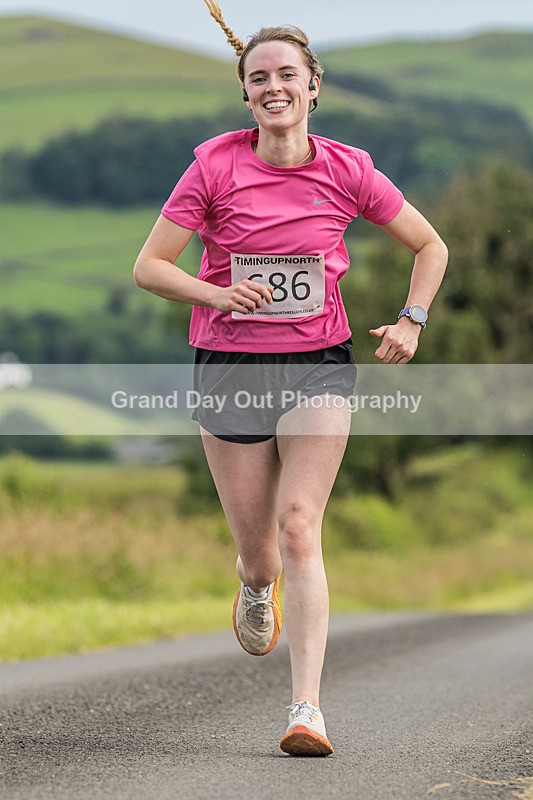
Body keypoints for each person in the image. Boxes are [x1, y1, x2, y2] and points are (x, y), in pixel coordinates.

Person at [133, 0, 448, 756]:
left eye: (287, 75)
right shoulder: (214, 163)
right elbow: (148, 268)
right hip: (229, 362)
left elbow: (428, 244)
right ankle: (252, 584)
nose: (273, 87)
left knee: (301, 525)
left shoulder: (348, 169)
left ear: (312, 88)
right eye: (258, 77)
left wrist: (410, 319)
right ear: (246, 94)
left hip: (316, 363)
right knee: (260, 550)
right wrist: (216, 293)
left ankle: (305, 710)